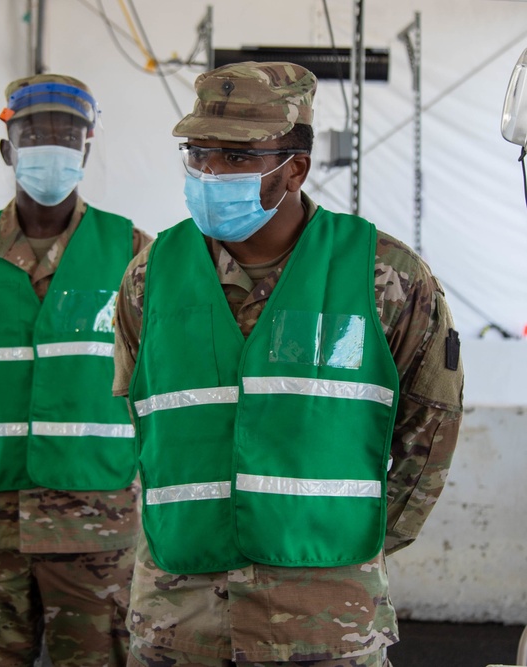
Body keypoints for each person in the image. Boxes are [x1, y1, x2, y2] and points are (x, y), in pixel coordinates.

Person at [113, 62, 464, 667]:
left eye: (237, 157)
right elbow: (142, 421)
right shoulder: (150, 275)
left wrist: (359, 544)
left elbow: (431, 429)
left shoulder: (387, 278)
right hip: (180, 617)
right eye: (199, 154)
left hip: (326, 618)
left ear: (296, 167)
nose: (209, 173)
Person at [0, 74, 153, 666]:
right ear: (8, 149)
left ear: (87, 148)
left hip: (99, 529)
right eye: (34, 133)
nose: (52, 145)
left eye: (67, 134)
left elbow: (159, 376)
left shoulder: (133, 253)